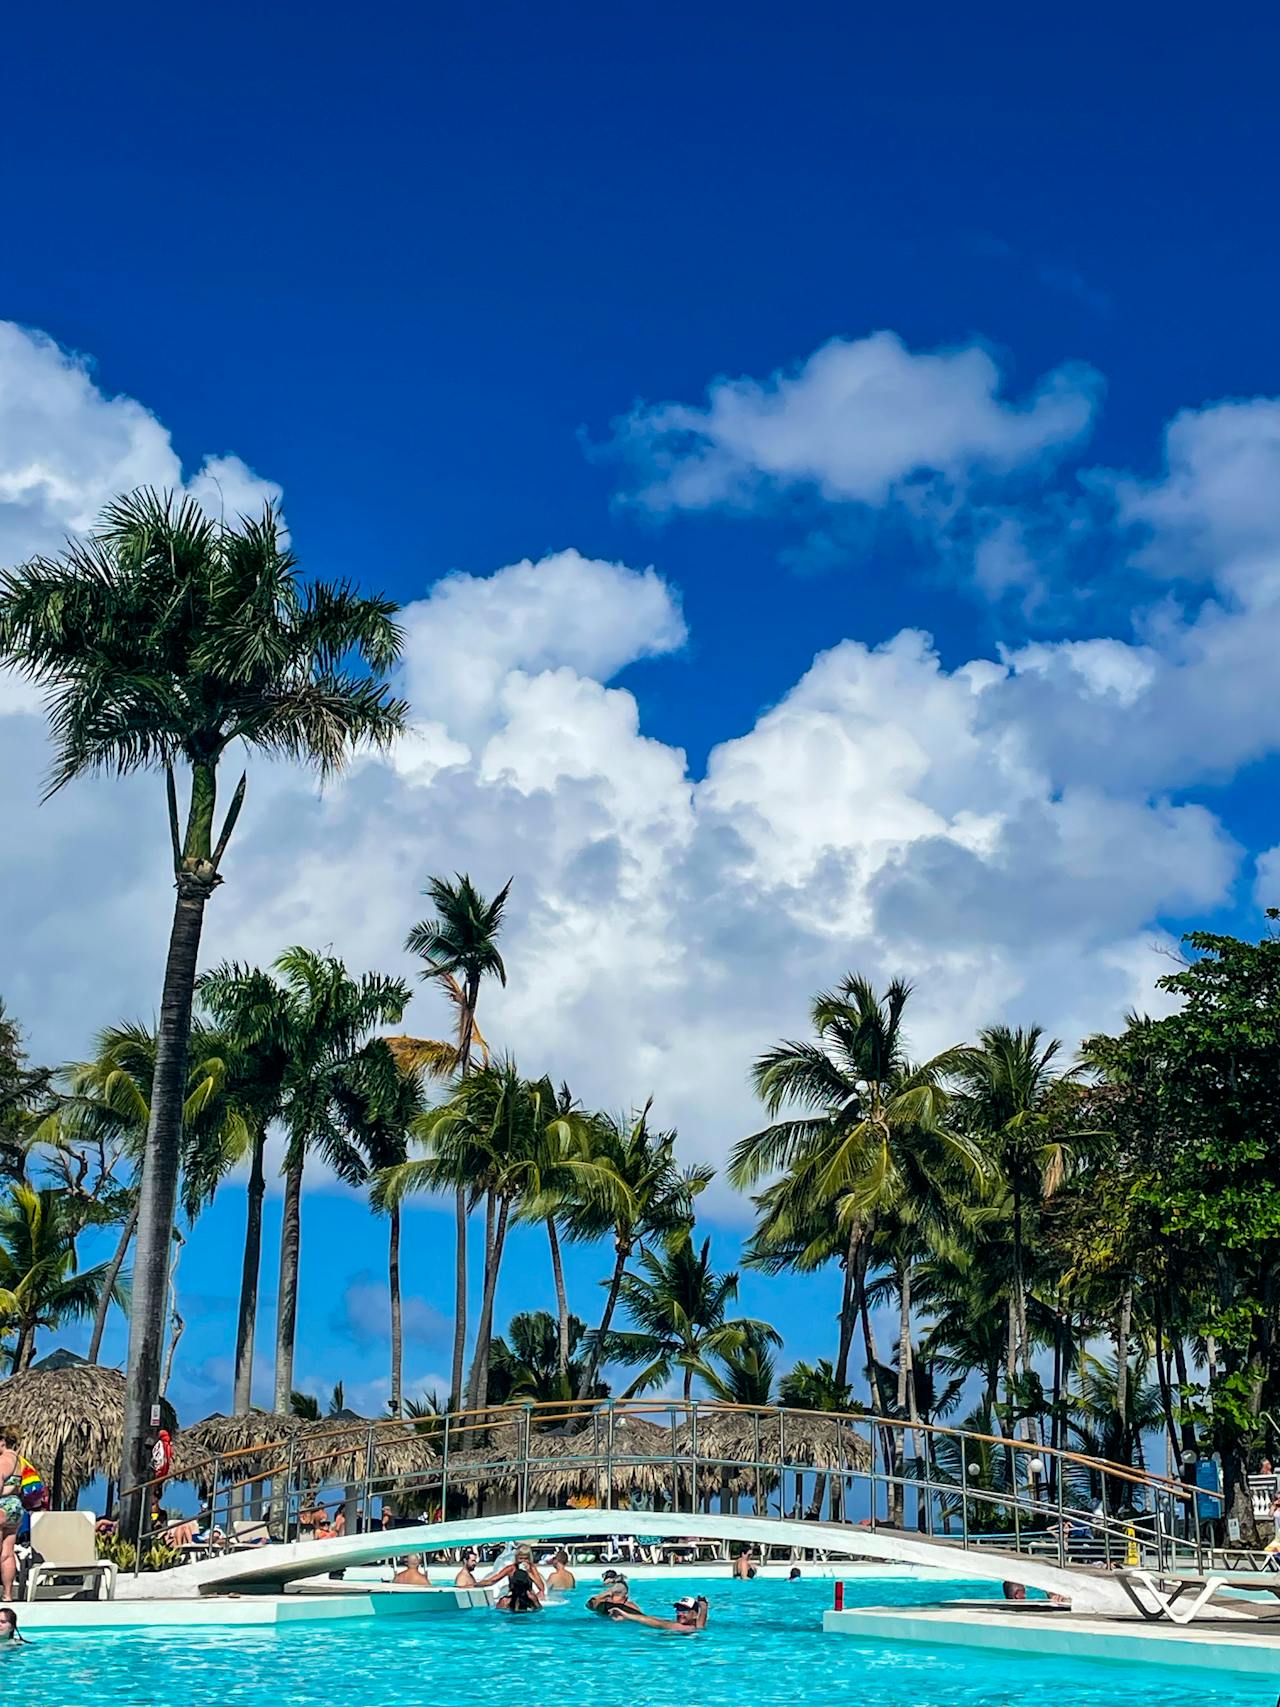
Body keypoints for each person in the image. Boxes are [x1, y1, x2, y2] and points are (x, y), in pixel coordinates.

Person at [0, 1427, 24, 1604]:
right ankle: (8, 1595)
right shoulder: (17, 1459)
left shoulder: (3, 1460)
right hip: (15, 1507)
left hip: (1, 1506)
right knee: (7, 1552)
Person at [611, 1593, 707, 1634]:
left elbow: (658, 1623)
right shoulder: (697, 1626)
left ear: (694, 1614)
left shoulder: (683, 1628)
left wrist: (626, 1615)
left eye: (684, 1611)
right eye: (678, 1610)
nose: (680, 1614)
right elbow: (701, 1618)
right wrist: (704, 1606)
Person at [480, 1543, 545, 1596]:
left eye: (526, 1559)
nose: (523, 1561)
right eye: (521, 1558)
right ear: (516, 1558)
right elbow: (493, 1580)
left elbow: (541, 1588)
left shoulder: (532, 1568)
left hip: (527, 1594)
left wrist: (529, 1573)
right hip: (513, 1594)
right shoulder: (511, 1568)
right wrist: (475, 1585)